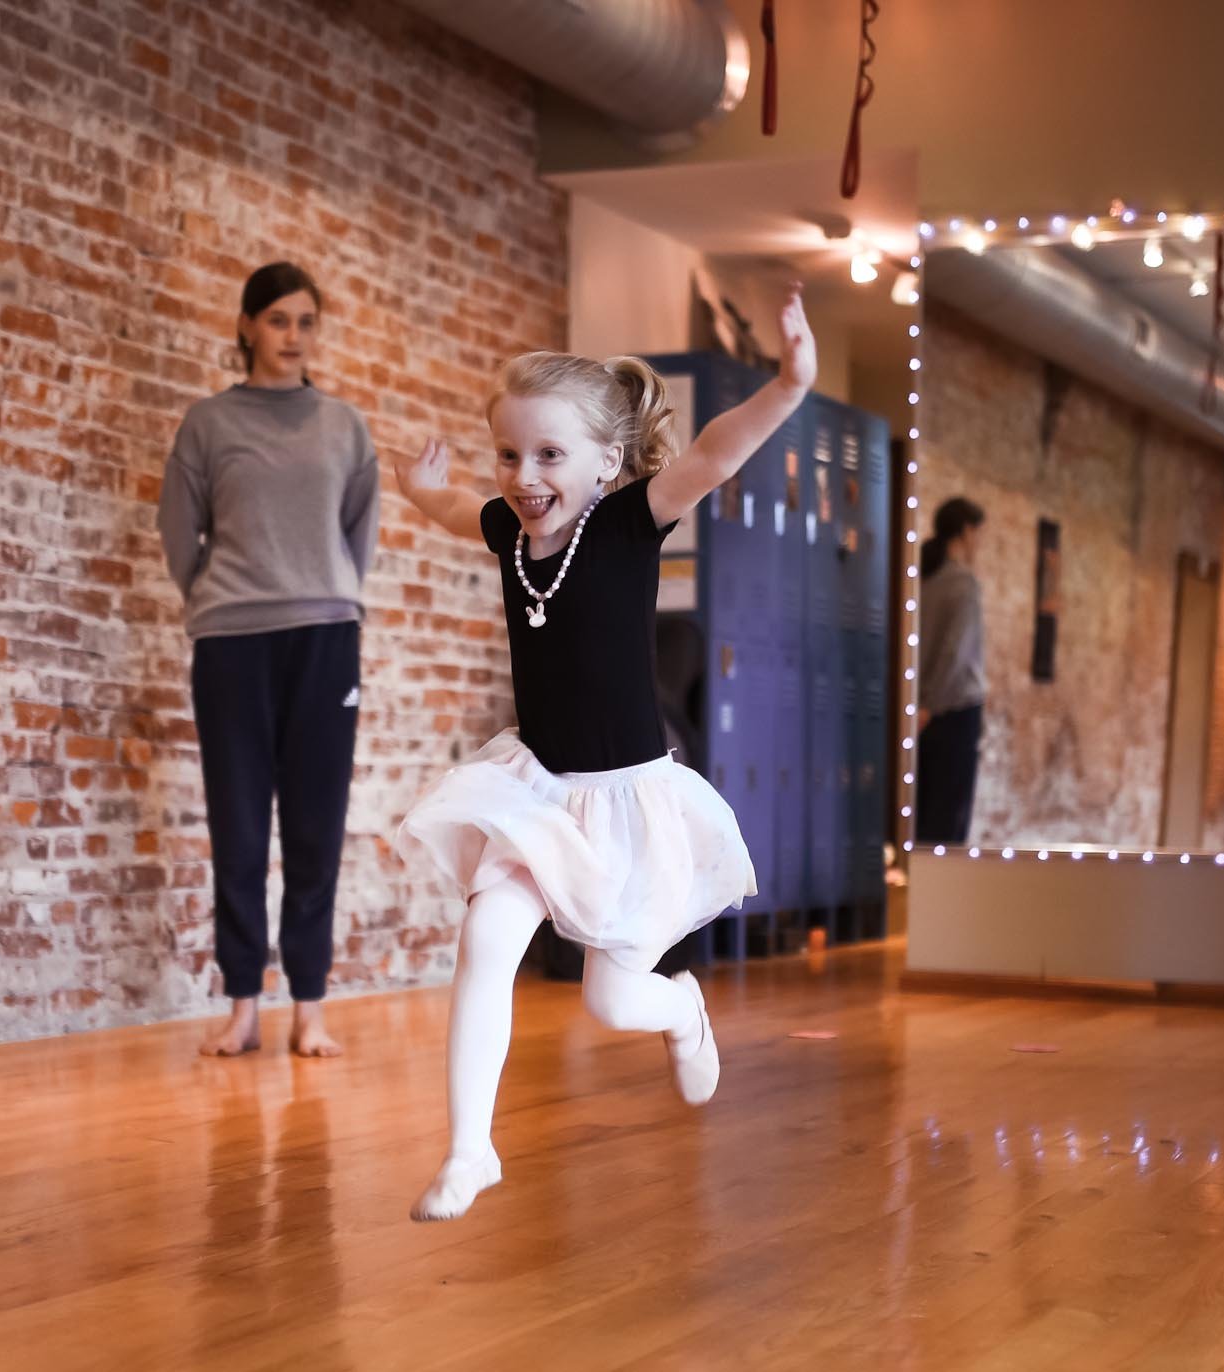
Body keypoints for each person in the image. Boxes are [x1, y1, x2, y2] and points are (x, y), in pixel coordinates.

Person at [391, 287, 817, 1221]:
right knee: (486, 940)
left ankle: (684, 1010)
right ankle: (471, 1151)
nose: (522, 473)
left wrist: (790, 383)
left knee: (613, 1006)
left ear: (606, 463)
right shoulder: (511, 531)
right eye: (509, 453)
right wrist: (426, 492)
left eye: (549, 454)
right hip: (536, 792)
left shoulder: (628, 523)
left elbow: (716, 451)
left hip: (624, 804)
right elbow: (461, 511)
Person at [157, 262, 379, 1059]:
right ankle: (243, 1004)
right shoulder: (208, 425)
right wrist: (219, 595)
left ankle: (310, 1007)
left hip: (325, 637)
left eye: (307, 322)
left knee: (316, 830)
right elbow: (181, 537)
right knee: (241, 829)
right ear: (247, 325)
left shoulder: (344, 428)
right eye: (279, 320)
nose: (294, 336)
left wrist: (328, 592)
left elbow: (359, 538)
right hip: (231, 644)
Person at [915, 497, 986, 845]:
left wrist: (922, 706)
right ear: (967, 532)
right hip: (953, 713)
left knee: (925, 817)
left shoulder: (923, 579)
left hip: (923, 715)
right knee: (950, 823)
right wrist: (930, 704)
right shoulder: (963, 583)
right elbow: (954, 654)